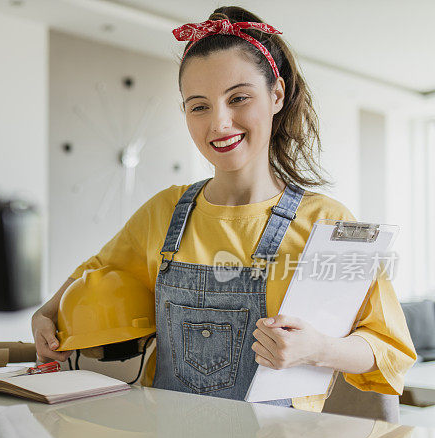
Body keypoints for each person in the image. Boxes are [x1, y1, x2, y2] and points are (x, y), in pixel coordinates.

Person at [31, 6, 417, 412]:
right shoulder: (164, 212)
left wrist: (317, 349)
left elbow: (386, 348)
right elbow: (96, 269)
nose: (219, 123)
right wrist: (45, 312)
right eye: (199, 106)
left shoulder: (327, 222)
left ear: (277, 95)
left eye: (238, 98)